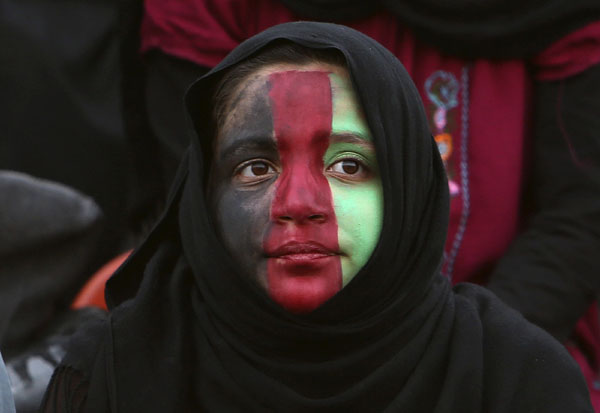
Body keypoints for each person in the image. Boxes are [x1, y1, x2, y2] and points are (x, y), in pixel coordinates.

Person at [41, 22, 592, 411]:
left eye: (349, 165)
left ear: (409, 188)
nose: (298, 203)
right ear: (201, 197)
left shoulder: (518, 380)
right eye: (255, 168)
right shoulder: (110, 374)